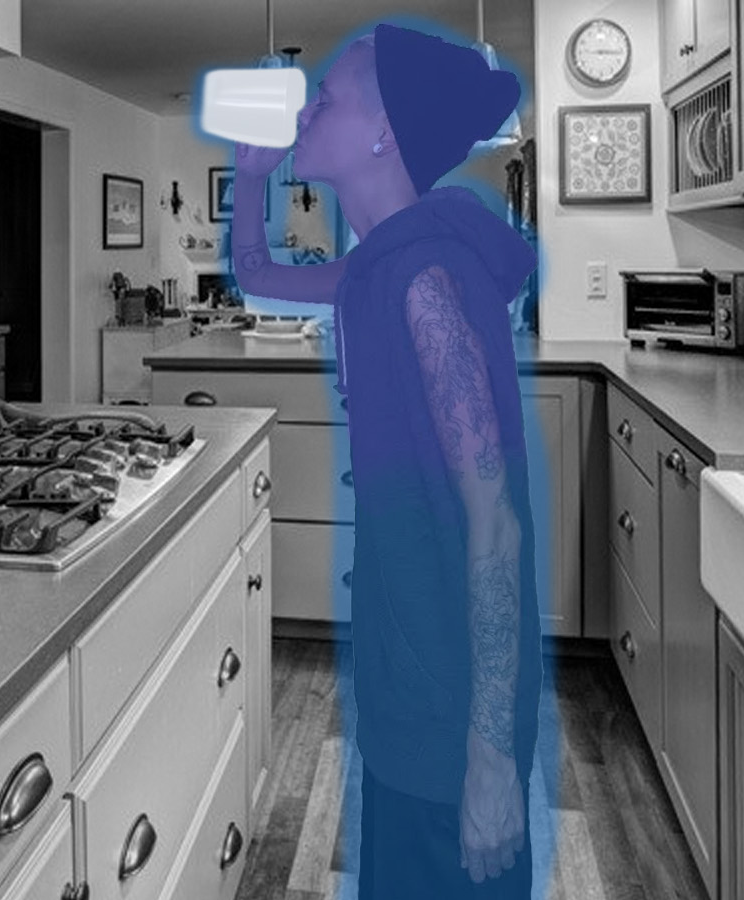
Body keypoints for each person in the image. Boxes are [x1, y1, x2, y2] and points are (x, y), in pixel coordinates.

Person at [229, 21, 543, 898]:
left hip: (453, 715)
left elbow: (494, 525)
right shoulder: (376, 270)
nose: (308, 106)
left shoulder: (427, 284)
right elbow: (255, 272)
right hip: (403, 686)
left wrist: (489, 755)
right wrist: (250, 177)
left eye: (328, 96)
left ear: (381, 134)